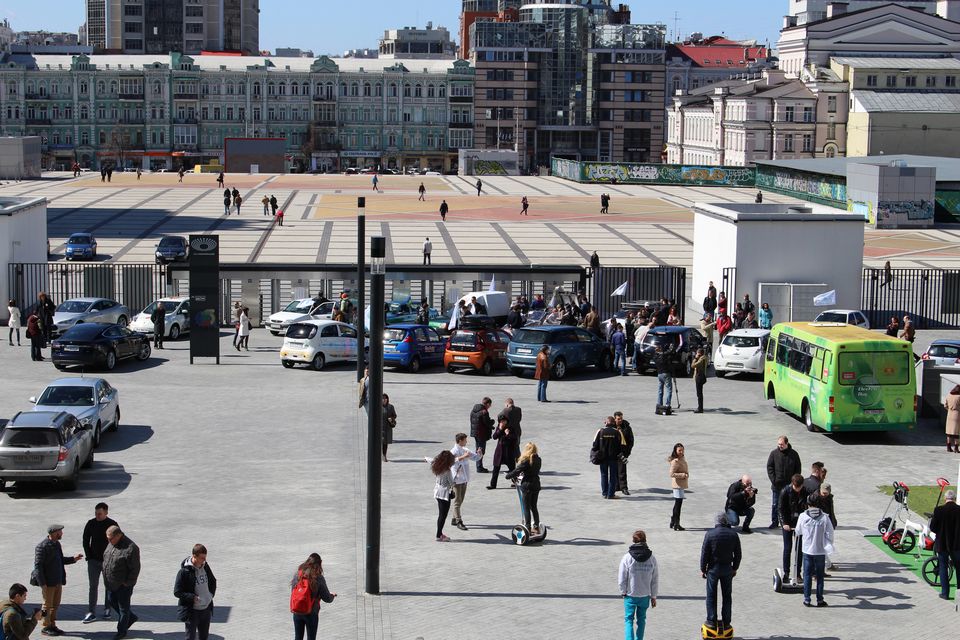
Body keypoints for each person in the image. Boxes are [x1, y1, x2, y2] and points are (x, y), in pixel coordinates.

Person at [33, 524, 82, 636]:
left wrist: (73, 559)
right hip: (48, 583)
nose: (62, 533)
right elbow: (38, 567)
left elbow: (60, 560)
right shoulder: (42, 546)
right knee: (46, 605)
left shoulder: (57, 544)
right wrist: (42, 584)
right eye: (60, 532)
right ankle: (45, 626)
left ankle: (52, 624)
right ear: (54, 533)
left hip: (57, 581)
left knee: (55, 605)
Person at [700, 513, 741, 633]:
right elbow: (738, 554)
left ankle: (711, 621)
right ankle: (726, 622)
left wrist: (703, 569)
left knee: (711, 595)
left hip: (713, 568)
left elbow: (705, 553)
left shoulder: (710, 534)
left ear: (716, 522)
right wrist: (735, 568)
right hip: (727, 568)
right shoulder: (733, 534)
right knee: (727, 596)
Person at [82, 503, 118, 624]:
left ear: (106, 513)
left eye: (100, 514)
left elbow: (118, 541)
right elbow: (85, 540)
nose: (97, 516)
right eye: (96, 513)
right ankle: (91, 611)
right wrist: (89, 556)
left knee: (109, 586)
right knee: (93, 586)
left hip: (108, 561)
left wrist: (113, 557)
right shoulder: (91, 523)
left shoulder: (112, 524)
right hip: (93, 561)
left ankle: (107, 609)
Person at [618, 530, 658, 640]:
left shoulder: (627, 557)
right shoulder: (652, 558)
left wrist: (623, 591)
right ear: (645, 540)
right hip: (645, 595)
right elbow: (655, 579)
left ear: (633, 541)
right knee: (641, 620)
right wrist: (653, 596)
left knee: (629, 620)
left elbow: (622, 577)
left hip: (630, 594)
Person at [102, 525, 140, 640]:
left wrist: (128, 582)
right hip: (111, 583)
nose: (109, 541)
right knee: (111, 600)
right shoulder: (112, 543)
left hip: (123, 585)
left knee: (123, 608)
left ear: (118, 535)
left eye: (110, 538)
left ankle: (121, 631)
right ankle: (131, 617)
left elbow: (135, 568)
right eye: (107, 538)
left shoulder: (131, 548)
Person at [796, 493, 834, 607]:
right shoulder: (825, 517)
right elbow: (830, 533)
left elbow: (798, 531)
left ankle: (807, 599)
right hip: (820, 550)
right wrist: (827, 543)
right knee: (820, 576)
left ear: (808, 504)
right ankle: (820, 599)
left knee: (807, 575)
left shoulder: (803, 516)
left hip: (807, 550)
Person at [174, 544, 217, 640]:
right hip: (192, 611)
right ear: (194, 556)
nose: (204, 560)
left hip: (206, 609)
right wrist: (192, 597)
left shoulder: (205, 566)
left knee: (204, 637)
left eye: (205, 557)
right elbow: (177, 592)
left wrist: (210, 595)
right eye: (202, 558)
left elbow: (213, 581)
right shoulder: (184, 572)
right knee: (190, 637)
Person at [290, 553, 336, 640]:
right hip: (311, 613)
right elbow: (327, 598)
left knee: (298, 637)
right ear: (320, 563)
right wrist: (332, 596)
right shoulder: (318, 578)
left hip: (297, 610)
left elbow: (293, 591)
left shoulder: (298, 574)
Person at [929, 489, 960, 600]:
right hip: (957, 544)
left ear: (945, 498)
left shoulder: (938, 510)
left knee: (943, 567)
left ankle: (945, 593)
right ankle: (959, 592)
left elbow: (932, 527)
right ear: (954, 499)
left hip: (942, 543)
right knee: (959, 568)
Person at [505, 442, 542, 534]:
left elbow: (517, 471)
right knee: (534, 506)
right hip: (536, 484)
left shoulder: (526, 460)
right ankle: (536, 527)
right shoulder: (538, 459)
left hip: (527, 485)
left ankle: (528, 527)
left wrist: (508, 476)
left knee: (526, 507)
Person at [779, 474, 809, 584]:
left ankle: (797, 574)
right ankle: (786, 573)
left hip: (799, 523)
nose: (797, 489)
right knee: (788, 548)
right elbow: (780, 509)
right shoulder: (785, 491)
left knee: (799, 549)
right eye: (796, 487)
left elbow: (807, 507)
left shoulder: (805, 491)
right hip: (788, 523)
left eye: (799, 487)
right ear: (792, 484)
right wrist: (784, 523)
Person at [767, 435, 802, 528]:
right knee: (775, 504)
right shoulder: (774, 454)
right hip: (777, 485)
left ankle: (789, 521)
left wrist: (794, 482)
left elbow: (798, 468)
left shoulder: (794, 454)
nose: (780, 446)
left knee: (789, 504)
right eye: (779, 444)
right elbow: (770, 467)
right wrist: (774, 480)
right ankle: (774, 522)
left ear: (787, 443)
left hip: (789, 485)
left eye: (782, 444)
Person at [488, 399, 522, 489]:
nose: (502, 423)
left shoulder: (510, 428)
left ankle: (516, 483)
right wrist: (499, 429)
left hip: (508, 452)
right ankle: (493, 485)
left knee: (512, 469)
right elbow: (494, 437)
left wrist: (507, 434)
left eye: (504, 421)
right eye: (501, 421)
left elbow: (514, 439)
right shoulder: (499, 427)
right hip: (499, 451)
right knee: (496, 469)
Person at [450, 433, 480, 531]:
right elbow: (450, 462)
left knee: (461, 500)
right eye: (465, 440)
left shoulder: (465, 450)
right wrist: (463, 457)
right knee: (457, 501)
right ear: (460, 441)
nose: (466, 442)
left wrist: (479, 453)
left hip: (464, 479)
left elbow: (475, 458)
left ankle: (454, 518)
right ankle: (459, 521)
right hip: (457, 480)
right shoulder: (453, 451)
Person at [593, 417, 623, 499]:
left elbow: (595, 445)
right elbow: (620, 446)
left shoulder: (600, 431)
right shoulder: (617, 432)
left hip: (602, 457)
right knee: (613, 476)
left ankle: (604, 493)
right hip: (613, 457)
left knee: (604, 475)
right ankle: (610, 494)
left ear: (606, 422)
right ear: (614, 423)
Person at [429, 450, 456, 541]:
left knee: (441, 514)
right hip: (444, 493)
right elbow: (452, 483)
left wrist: (426, 458)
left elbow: (431, 460)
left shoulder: (437, 466)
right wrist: (456, 476)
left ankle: (439, 534)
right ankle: (439, 535)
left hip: (437, 491)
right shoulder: (447, 471)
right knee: (443, 515)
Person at [668, 443, 689, 530]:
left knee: (677, 504)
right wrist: (683, 475)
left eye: (682, 450)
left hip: (681, 484)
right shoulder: (675, 461)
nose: (681, 452)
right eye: (679, 450)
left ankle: (673, 521)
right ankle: (676, 523)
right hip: (677, 485)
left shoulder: (682, 459)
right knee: (678, 504)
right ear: (675, 451)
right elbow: (671, 474)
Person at [470, 397, 494, 473]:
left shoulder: (474, 410)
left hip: (475, 432)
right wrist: (492, 422)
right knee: (481, 450)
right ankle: (479, 467)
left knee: (478, 449)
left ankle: (479, 466)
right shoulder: (484, 412)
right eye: (490, 405)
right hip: (481, 433)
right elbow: (487, 423)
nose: (490, 407)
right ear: (488, 404)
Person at [614, 412, 634, 496]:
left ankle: (624, 488)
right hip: (613, 452)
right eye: (618, 419)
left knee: (622, 470)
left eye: (621, 418)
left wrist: (627, 452)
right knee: (614, 470)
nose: (620, 420)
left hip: (623, 452)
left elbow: (631, 440)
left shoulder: (626, 427)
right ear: (615, 419)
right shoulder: (611, 427)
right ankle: (616, 486)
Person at [653, 343, 674, 411]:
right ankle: (667, 404)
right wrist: (670, 349)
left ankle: (659, 403)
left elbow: (665, 353)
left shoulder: (655, 356)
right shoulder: (663, 355)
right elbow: (668, 354)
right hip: (665, 373)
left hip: (659, 374)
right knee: (669, 390)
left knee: (660, 390)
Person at [691, 347, 709, 414]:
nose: (696, 354)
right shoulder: (704, 358)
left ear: (699, 353)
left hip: (700, 377)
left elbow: (693, 365)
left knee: (699, 394)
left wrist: (695, 358)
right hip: (701, 376)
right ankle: (700, 407)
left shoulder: (701, 359)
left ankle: (700, 408)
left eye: (697, 353)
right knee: (699, 393)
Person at [381, 394, 397, 462]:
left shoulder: (390, 407)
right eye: (382, 398)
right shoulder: (378, 406)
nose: (384, 400)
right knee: (380, 442)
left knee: (385, 442)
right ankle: (380, 455)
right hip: (379, 427)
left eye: (385, 398)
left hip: (387, 427)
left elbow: (395, 415)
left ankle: (384, 455)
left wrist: (391, 418)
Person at [945, 385, 960, 453]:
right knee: (956, 432)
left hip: (949, 415)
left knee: (949, 432)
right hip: (957, 415)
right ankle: (956, 448)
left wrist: (950, 410)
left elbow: (945, 405)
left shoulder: (949, 395)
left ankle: (948, 447)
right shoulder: (959, 397)